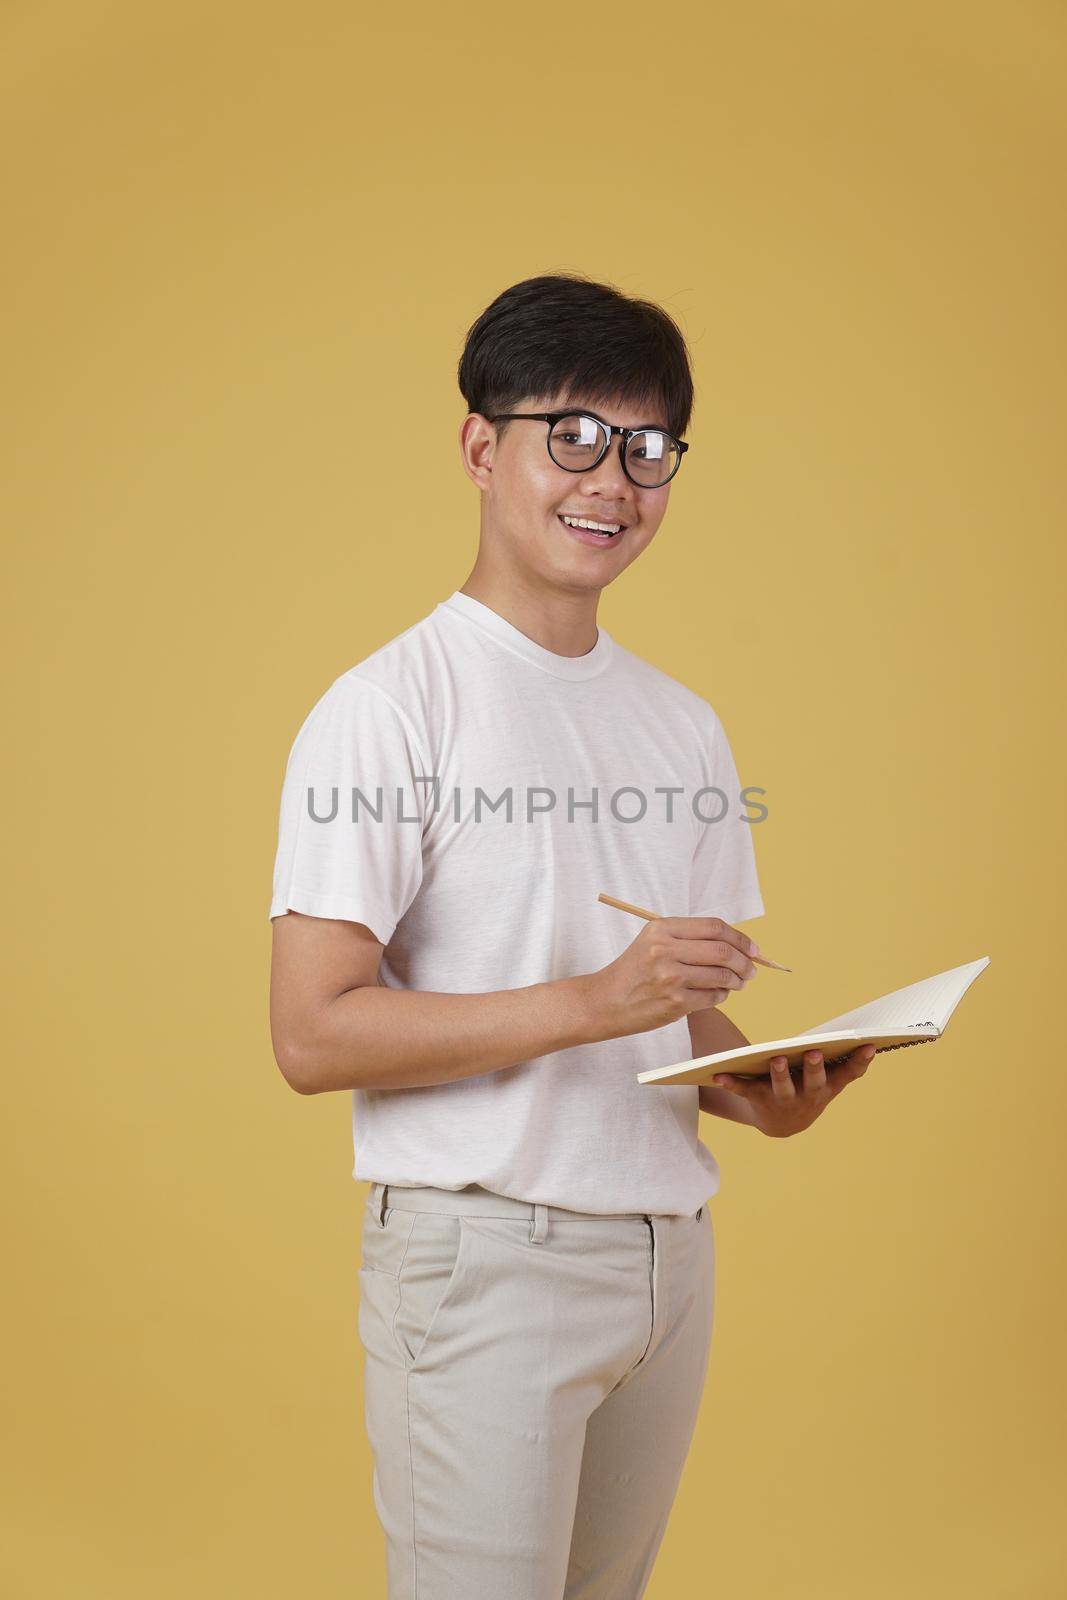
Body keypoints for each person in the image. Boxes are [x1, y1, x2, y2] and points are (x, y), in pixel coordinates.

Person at [267, 271, 874, 1599]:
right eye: (576, 438)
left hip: (666, 1260)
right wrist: (600, 1000)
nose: (615, 480)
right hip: (484, 1260)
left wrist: (761, 1088)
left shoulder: (681, 724)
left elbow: (673, 1001)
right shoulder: (387, 708)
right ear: (483, 448)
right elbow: (313, 1035)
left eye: (649, 449)